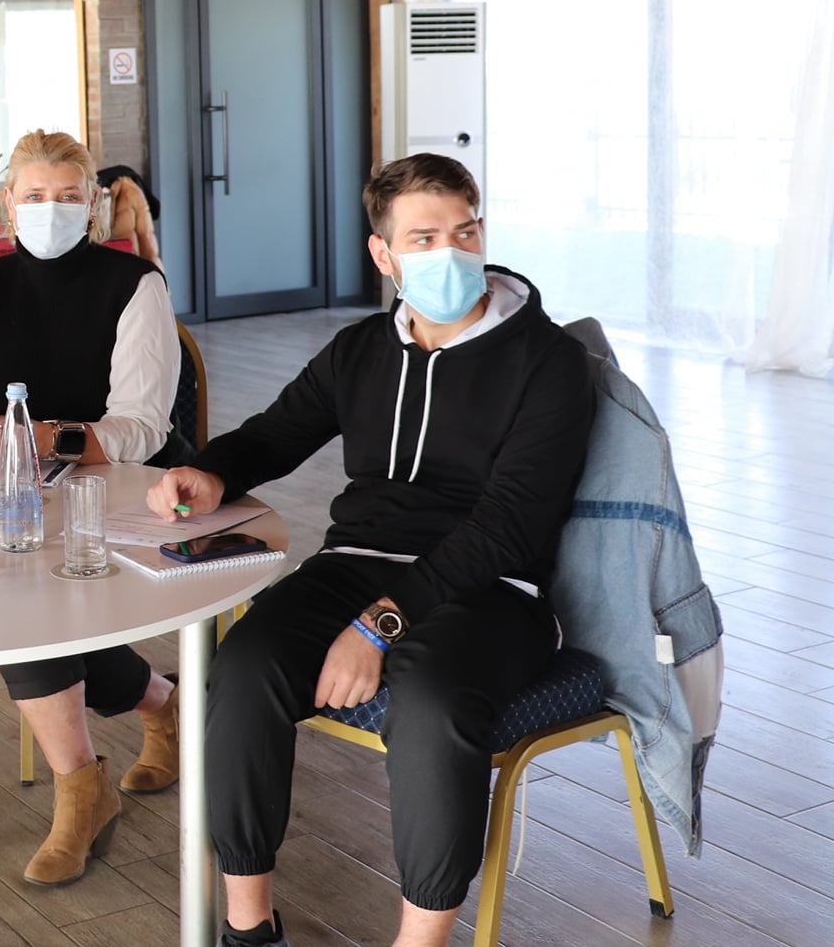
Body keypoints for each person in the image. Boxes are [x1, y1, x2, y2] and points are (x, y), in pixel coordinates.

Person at [146, 153, 594, 947]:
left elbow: (510, 526)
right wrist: (211, 472)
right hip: (355, 564)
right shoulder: (360, 349)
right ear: (383, 254)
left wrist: (379, 624)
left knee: (431, 703)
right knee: (242, 666)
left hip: (496, 589)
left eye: (465, 230)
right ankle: (250, 928)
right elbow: (277, 433)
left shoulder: (547, 360)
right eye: (424, 237)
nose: (452, 251)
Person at [0, 129, 183, 887]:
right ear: (9, 204)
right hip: (18, 488)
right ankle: (157, 705)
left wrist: (46, 437)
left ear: (94, 204)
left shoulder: (135, 282)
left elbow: (143, 428)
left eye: (69, 196)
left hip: (122, 489)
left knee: (20, 604)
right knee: (2, 584)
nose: (52, 209)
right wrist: (6, 443)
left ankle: (81, 790)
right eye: (36, 196)